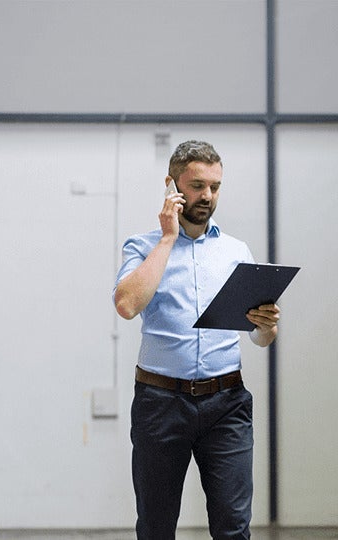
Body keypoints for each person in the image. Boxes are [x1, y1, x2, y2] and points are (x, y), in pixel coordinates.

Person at [113, 140, 279, 539]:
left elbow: (260, 338)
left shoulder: (236, 251)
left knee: (234, 527)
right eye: (197, 185)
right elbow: (127, 304)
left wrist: (268, 325)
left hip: (227, 404)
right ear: (172, 186)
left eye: (215, 187)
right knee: (155, 527)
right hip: (161, 404)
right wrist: (168, 238)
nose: (207, 196)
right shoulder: (142, 246)